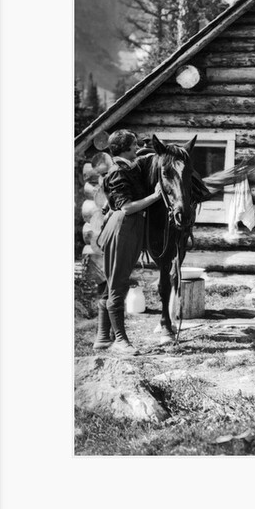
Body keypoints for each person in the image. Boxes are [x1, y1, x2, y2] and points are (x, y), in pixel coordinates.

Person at [93, 130, 165, 355]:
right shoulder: (117, 172)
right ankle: (120, 341)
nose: (137, 148)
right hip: (123, 227)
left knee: (115, 280)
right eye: (134, 145)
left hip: (131, 227)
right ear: (124, 148)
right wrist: (155, 196)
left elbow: (141, 160)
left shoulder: (128, 167)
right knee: (118, 284)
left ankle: (103, 338)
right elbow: (126, 206)